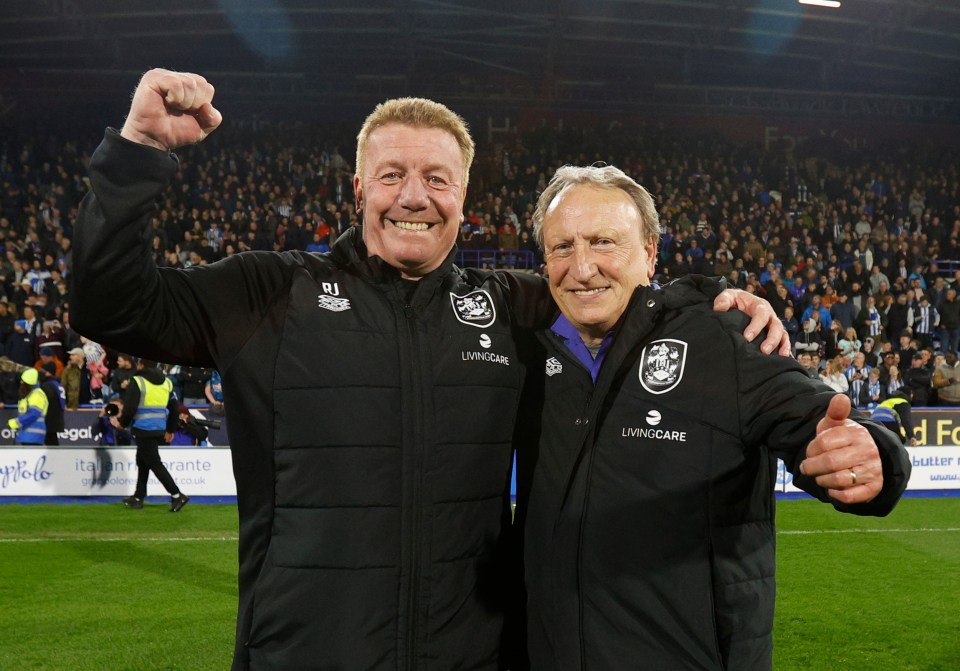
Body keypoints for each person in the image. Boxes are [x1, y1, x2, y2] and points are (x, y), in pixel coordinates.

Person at [71, 69, 787, 670]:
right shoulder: (270, 294)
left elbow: (616, 293)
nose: (414, 195)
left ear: (463, 200)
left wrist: (720, 305)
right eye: (393, 175)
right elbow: (111, 304)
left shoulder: (512, 307)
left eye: (436, 178)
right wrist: (138, 153)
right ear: (359, 189)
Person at [514, 165, 911, 671]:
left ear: (651, 252)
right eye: (562, 247)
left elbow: (816, 416)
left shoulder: (723, 339)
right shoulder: (523, 347)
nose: (583, 266)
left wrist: (874, 454)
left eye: (603, 242)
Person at [110, 358, 189, 512]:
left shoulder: (138, 381)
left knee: (153, 462)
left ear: (141, 365)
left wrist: (121, 423)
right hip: (159, 427)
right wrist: (170, 430)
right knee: (142, 460)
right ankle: (138, 496)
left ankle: (177, 495)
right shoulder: (167, 382)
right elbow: (174, 409)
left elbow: (130, 407)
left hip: (142, 427)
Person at [7, 368, 49, 445]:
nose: (20, 383)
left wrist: (15, 422)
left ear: (27, 383)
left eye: (22, 382)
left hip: (33, 436)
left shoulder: (37, 395)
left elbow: (33, 414)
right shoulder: (31, 394)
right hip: (27, 436)